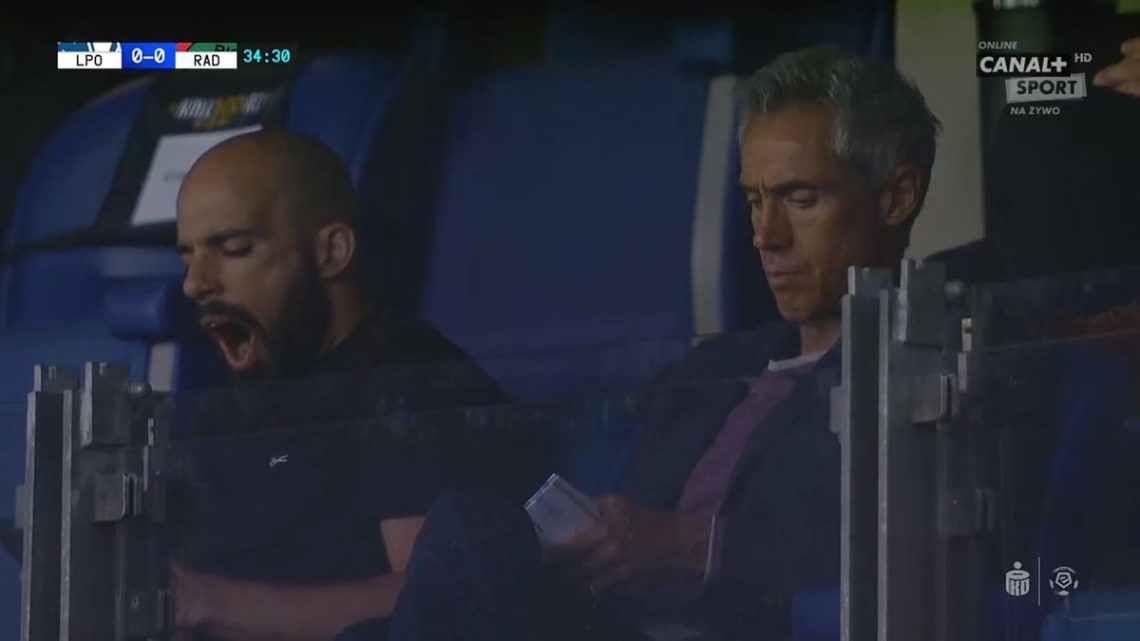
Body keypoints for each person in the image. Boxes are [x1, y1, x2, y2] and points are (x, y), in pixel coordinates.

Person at [373, 45, 940, 641]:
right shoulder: (716, 365)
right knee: (457, 541)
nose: (765, 235)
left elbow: (903, 556)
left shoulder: (927, 371)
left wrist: (692, 545)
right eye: (755, 201)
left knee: (463, 543)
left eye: (801, 200)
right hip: (614, 621)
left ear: (896, 197)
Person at [168, 129, 528, 641]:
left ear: (332, 251)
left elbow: (433, 600)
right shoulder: (231, 405)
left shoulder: (410, 380)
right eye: (188, 256)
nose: (194, 283)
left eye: (234, 249)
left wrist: (207, 604)